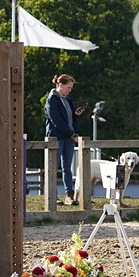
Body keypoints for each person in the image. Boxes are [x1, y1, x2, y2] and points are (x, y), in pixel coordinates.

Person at [43, 74, 86, 206]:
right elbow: (57, 121)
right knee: (53, 167)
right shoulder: (52, 100)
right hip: (56, 137)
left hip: (68, 138)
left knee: (67, 167)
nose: (70, 90)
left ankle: (69, 195)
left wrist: (75, 115)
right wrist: (72, 134)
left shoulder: (68, 99)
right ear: (60, 85)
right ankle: (52, 195)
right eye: (68, 87)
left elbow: (69, 119)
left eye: (71, 88)